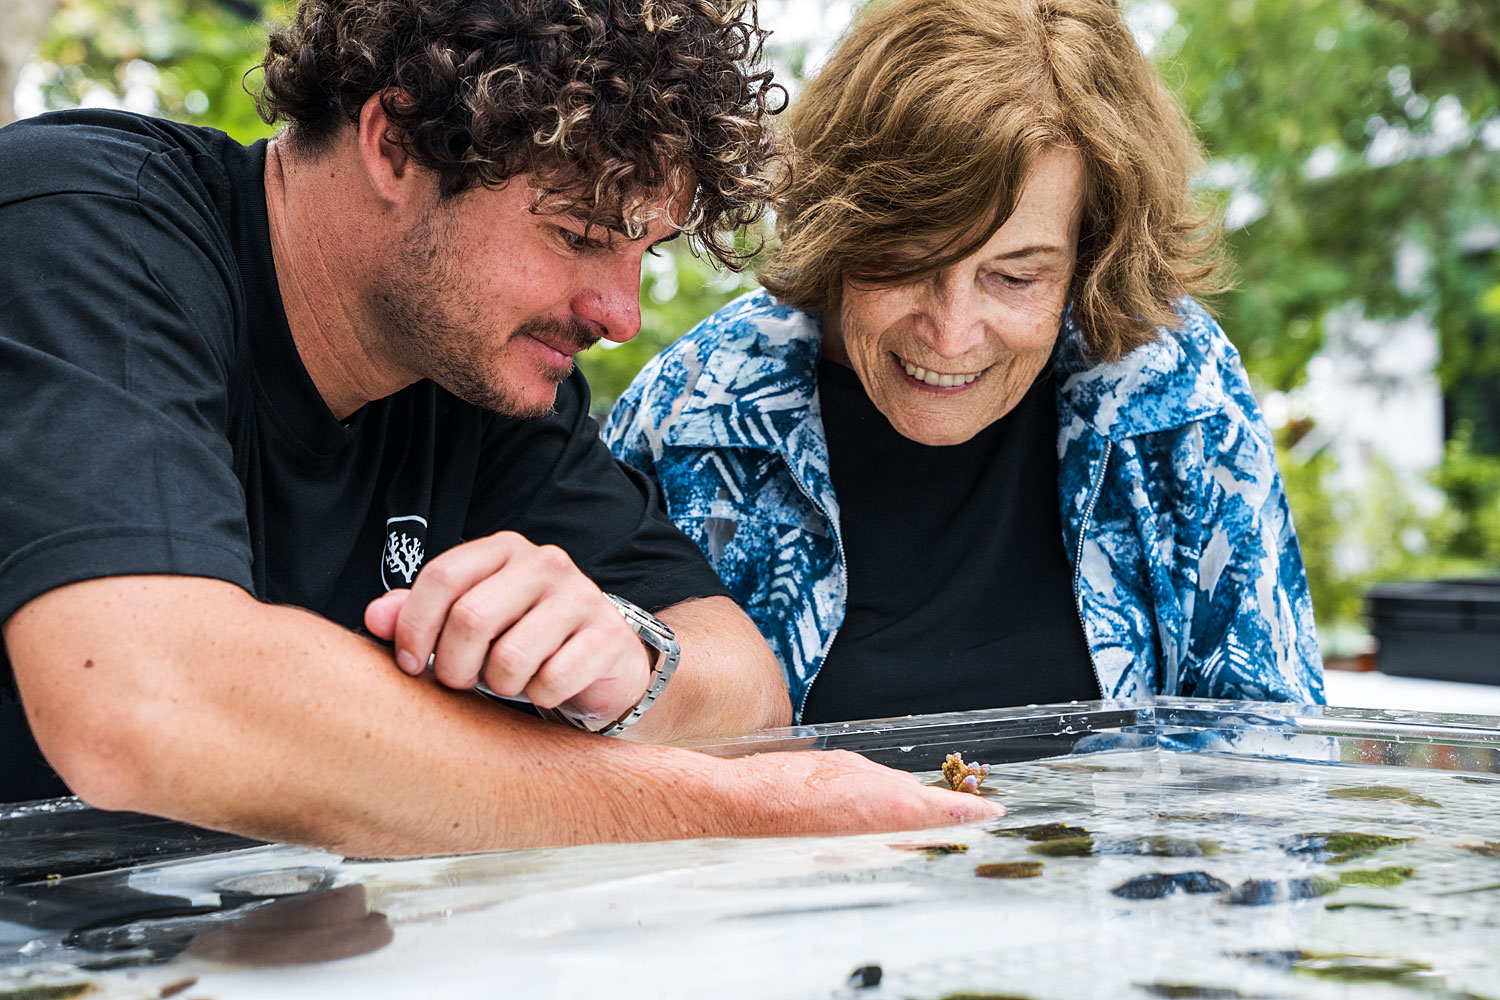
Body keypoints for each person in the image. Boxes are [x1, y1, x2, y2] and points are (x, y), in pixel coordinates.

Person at [0, 0, 999, 853]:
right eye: (578, 235)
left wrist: (629, 659)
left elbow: (745, 685)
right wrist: (733, 809)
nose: (620, 312)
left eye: (644, 248)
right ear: (392, 142)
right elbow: (142, 702)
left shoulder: (479, 379)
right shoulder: (81, 226)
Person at [606, 0, 1325, 724]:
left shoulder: (1170, 388)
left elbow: (1272, 754)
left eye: (1015, 278)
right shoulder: (695, 413)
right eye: (905, 262)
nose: (950, 336)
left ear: (1090, 256)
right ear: (837, 228)